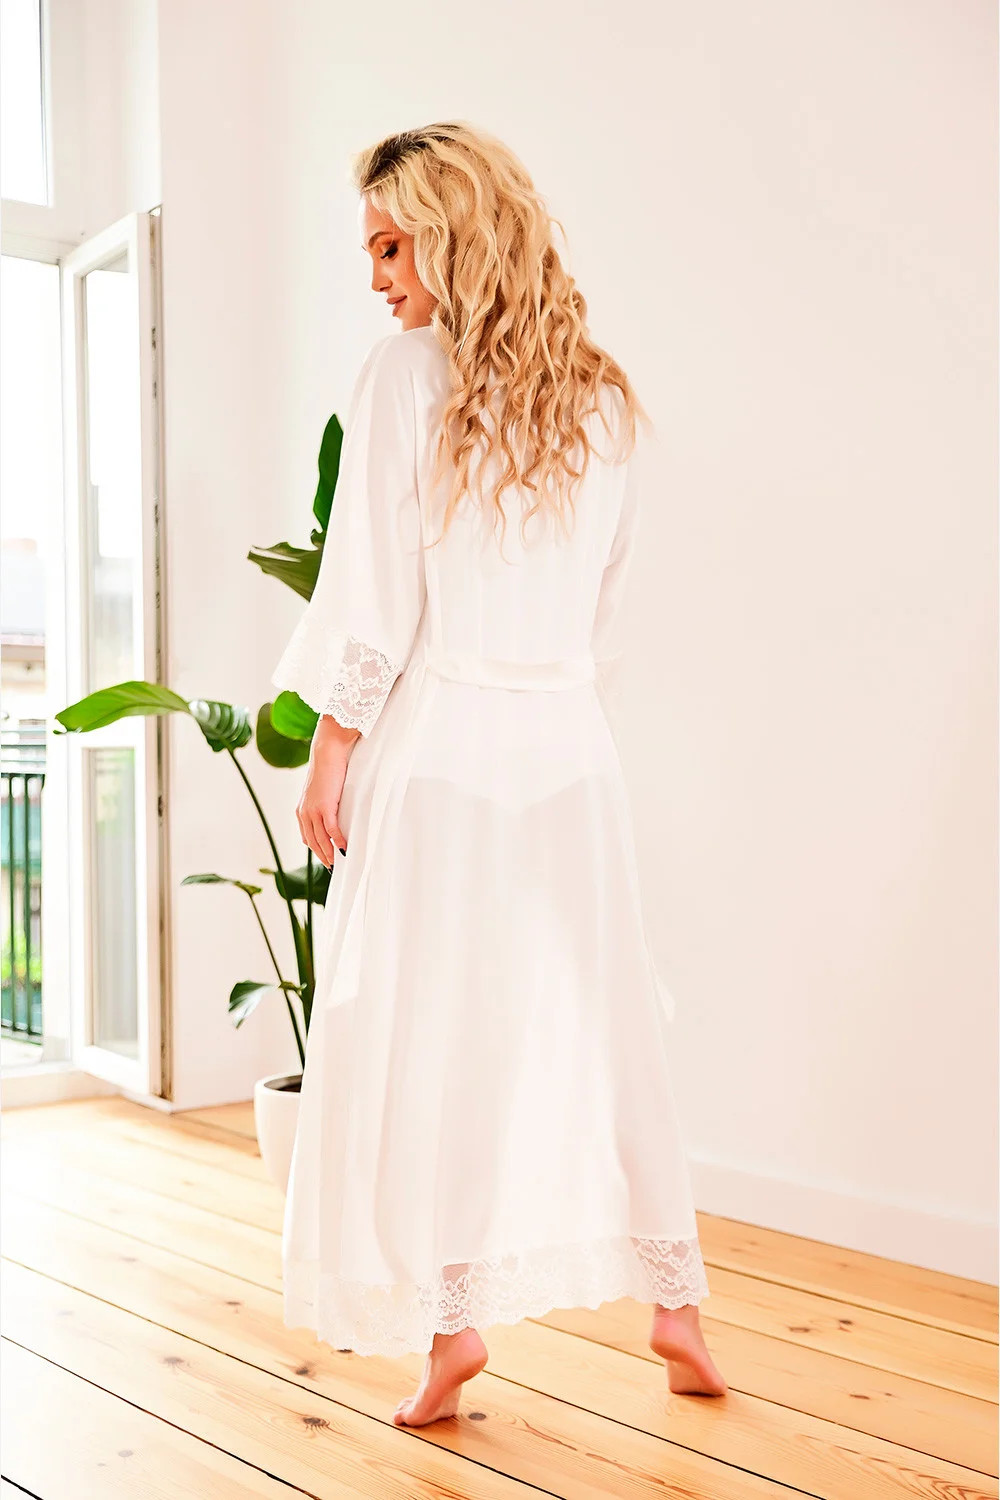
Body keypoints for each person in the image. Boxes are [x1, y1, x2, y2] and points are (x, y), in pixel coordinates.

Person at [270, 120, 728, 1428]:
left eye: (391, 246)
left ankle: (452, 1326)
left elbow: (375, 589)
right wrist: (566, 714)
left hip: (445, 746)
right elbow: (607, 616)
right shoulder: (603, 398)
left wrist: (336, 743)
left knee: (435, 1037)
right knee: (612, 1022)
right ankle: (678, 1306)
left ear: (451, 233)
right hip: (571, 748)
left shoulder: (405, 377)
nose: (376, 277)